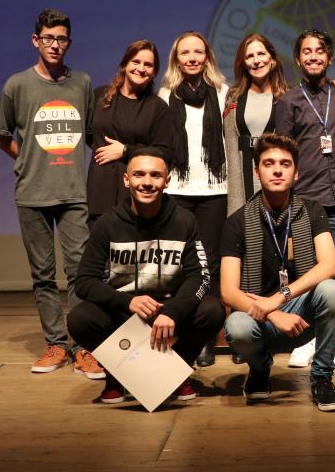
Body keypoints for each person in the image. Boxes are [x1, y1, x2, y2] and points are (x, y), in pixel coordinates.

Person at [68, 147, 225, 404]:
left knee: (213, 310)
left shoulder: (184, 220)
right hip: (126, 311)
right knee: (79, 319)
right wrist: (126, 301)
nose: (147, 182)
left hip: (168, 311)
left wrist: (172, 310)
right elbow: (84, 281)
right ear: (127, 179)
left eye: (155, 175)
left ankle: (177, 373)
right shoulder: (107, 224)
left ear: (167, 180)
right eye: (139, 175)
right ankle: (117, 375)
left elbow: (200, 277)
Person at [0, 8, 102, 378]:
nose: (55, 45)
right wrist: (26, 160)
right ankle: (56, 344)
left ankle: (83, 345)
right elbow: (2, 136)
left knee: (79, 272)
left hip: (74, 192)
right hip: (32, 193)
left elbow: (90, 135)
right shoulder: (17, 85)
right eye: (49, 38)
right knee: (42, 274)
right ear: (35, 40)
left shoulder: (82, 82)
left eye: (62, 39)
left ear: (69, 43)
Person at [221, 133, 335, 411]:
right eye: (268, 163)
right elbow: (228, 292)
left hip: (300, 314)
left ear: (296, 172)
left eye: (285, 164)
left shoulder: (312, 211)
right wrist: (273, 314)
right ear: (257, 171)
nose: (277, 169)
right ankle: (260, 368)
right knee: (237, 326)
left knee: (332, 289)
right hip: (260, 316)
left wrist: (279, 299)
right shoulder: (237, 221)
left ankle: (322, 377)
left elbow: (329, 266)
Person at [274, 29, 335, 368]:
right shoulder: (288, 101)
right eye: (306, 51)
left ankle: (329, 342)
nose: (314, 56)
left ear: (330, 58)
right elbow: (282, 151)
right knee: (306, 273)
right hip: (305, 201)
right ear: (298, 59)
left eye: (320, 51)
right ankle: (304, 339)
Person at [159, 31, 229, 367]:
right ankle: (182, 329)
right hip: (177, 190)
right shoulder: (165, 95)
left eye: (198, 52)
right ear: (176, 58)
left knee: (211, 262)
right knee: (184, 265)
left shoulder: (223, 91)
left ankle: (206, 340)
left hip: (214, 189)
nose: (191, 57)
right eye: (184, 52)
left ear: (207, 56)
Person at [88, 40, 171, 224]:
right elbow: (88, 135)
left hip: (138, 197)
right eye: (136, 62)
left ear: (154, 72)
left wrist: (125, 150)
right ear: (124, 65)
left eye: (148, 65)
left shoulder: (158, 107)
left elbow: (164, 152)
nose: (141, 68)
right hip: (99, 192)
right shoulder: (100, 96)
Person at [224, 33, 288, 216]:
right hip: (241, 182)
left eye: (261, 54)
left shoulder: (286, 97)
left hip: (275, 178)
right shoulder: (233, 97)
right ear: (243, 63)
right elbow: (230, 146)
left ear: (272, 59)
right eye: (249, 56)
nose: (256, 61)